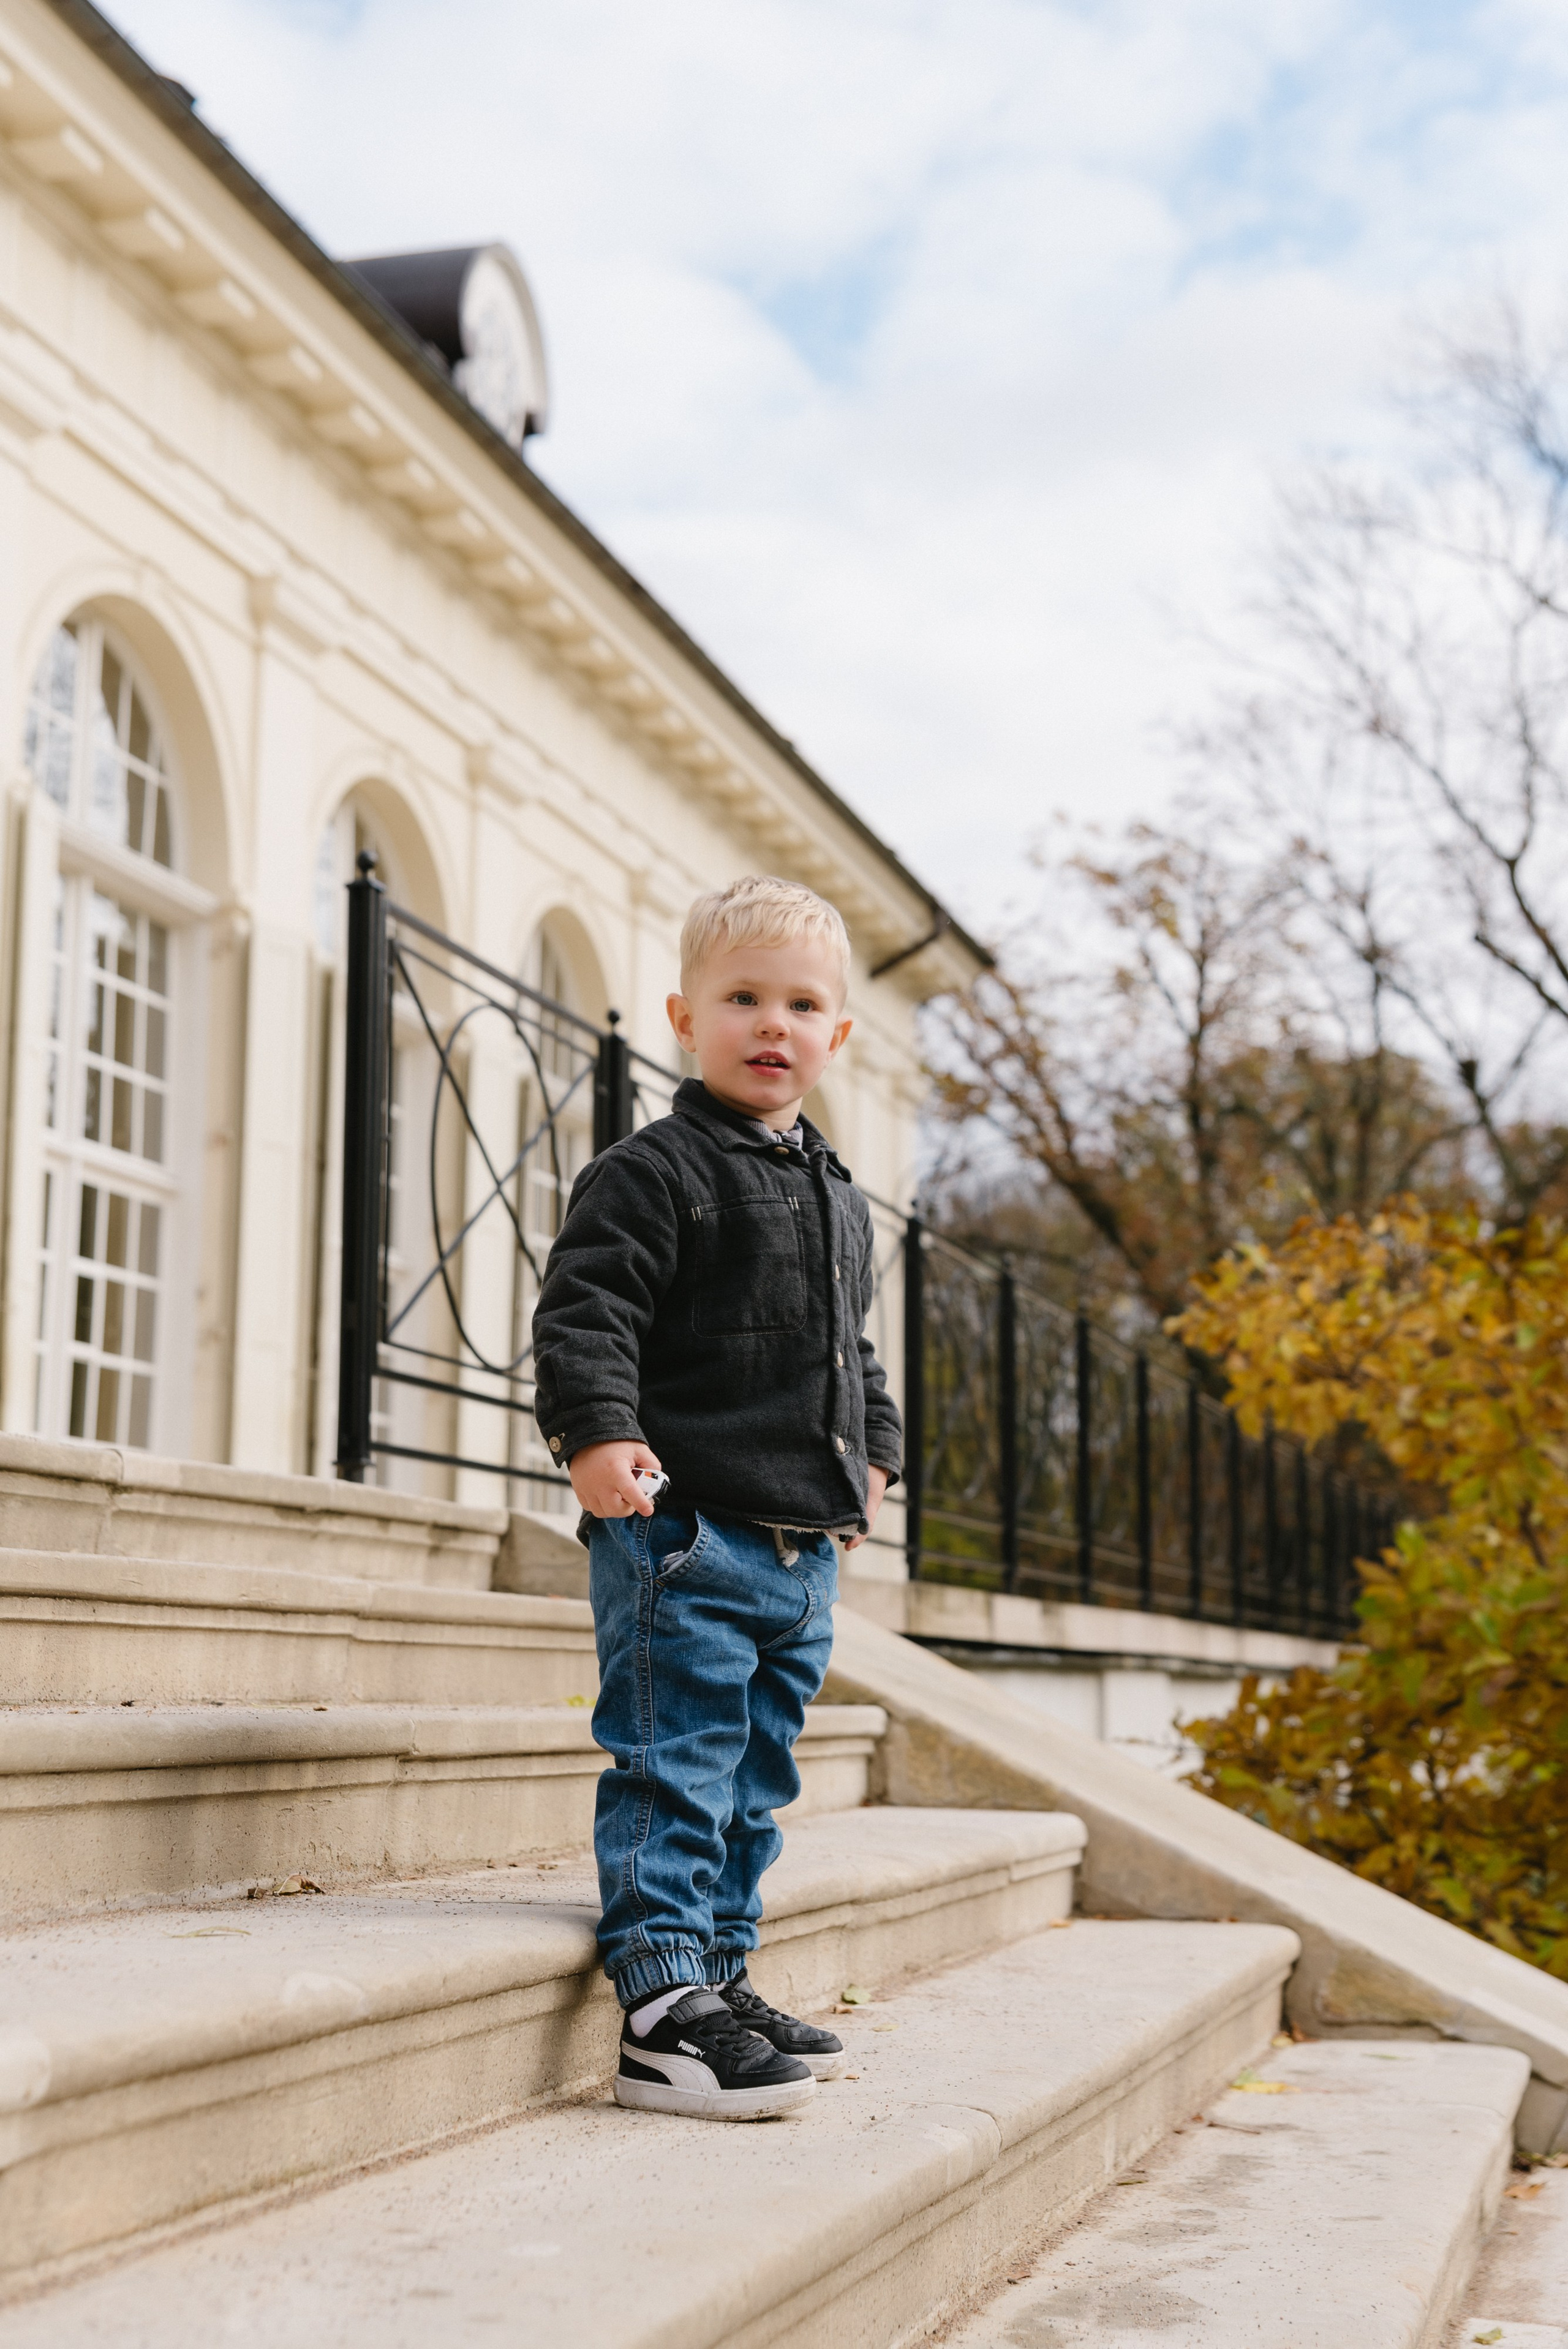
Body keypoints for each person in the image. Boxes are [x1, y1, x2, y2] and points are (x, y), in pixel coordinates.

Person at [532, 874, 902, 2120]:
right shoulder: (652, 1171)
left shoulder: (838, 1192)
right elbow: (590, 1309)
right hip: (681, 1534)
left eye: (800, 1004)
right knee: (675, 1767)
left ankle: (722, 1971)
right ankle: (658, 2006)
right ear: (684, 1016)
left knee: (756, 1779)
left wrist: (876, 1449)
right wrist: (598, 1432)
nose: (771, 1024)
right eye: (742, 997)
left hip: (800, 1548)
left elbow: (851, 1350)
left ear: (834, 1034)